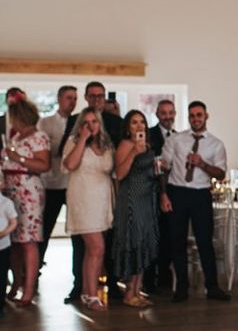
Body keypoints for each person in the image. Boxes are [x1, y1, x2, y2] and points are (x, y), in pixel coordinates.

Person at [160, 100, 229, 302]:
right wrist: (163, 194)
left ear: (206, 116)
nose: (195, 119)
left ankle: (212, 286)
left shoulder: (216, 144)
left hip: (201, 194)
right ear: (188, 118)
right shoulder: (176, 140)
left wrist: (202, 164)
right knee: (177, 241)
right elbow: (164, 167)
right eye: (192, 116)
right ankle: (181, 287)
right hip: (177, 192)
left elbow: (221, 173)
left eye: (199, 115)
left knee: (205, 241)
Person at [59, 81, 122, 303]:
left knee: (92, 250)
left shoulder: (106, 144)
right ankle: (92, 294)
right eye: (86, 122)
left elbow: (114, 170)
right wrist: (83, 139)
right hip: (82, 198)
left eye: (94, 121)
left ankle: (87, 292)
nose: (91, 125)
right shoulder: (74, 141)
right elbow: (69, 165)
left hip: (102, 200)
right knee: (97, 247)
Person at [2, 97, 51, 306]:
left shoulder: (39, 136)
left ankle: (29, 289)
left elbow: (43, 165)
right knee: (13, 241)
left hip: (28, 190)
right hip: (10, 190)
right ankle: (15, 282)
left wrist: (17, 158)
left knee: (28, 241)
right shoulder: (16, 137)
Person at [113, 110, 159, 307]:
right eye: (134, 123)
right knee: (134, 241)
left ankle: (137, 290)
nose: (139, 126)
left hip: (147, 199)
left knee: (145, 242)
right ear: (128, 127)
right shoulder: (126, 145)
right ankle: (129, 292)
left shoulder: (147, 146)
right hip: (131, 199)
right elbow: (120, 173)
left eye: (142, 122)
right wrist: (133, 153)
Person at [38, 85, 77, 270]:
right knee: (44, 229)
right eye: (69, 97)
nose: (72, 101)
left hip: (72, 184)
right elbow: (45, 152)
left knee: (78, 230)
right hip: (51, 183)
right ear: (60, 99)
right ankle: (35, 270)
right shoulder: (45, 123)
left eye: (75, 98)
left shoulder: (79, 123)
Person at [145, 99, 176, 292]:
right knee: (152, 237)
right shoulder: (149, 135)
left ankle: (164, 278)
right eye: (163, 113)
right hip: (151, 192)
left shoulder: (180, 137)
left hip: (172, 193)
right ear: (157, 115)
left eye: (170, 112)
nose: (167, 116)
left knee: (168, 236)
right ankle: (148, 281)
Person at [0, 190, 17, 319]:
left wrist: (4, 233)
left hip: (3, 247)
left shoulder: (6, 203)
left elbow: (13, 222)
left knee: (1, 275)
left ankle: (1, 305)